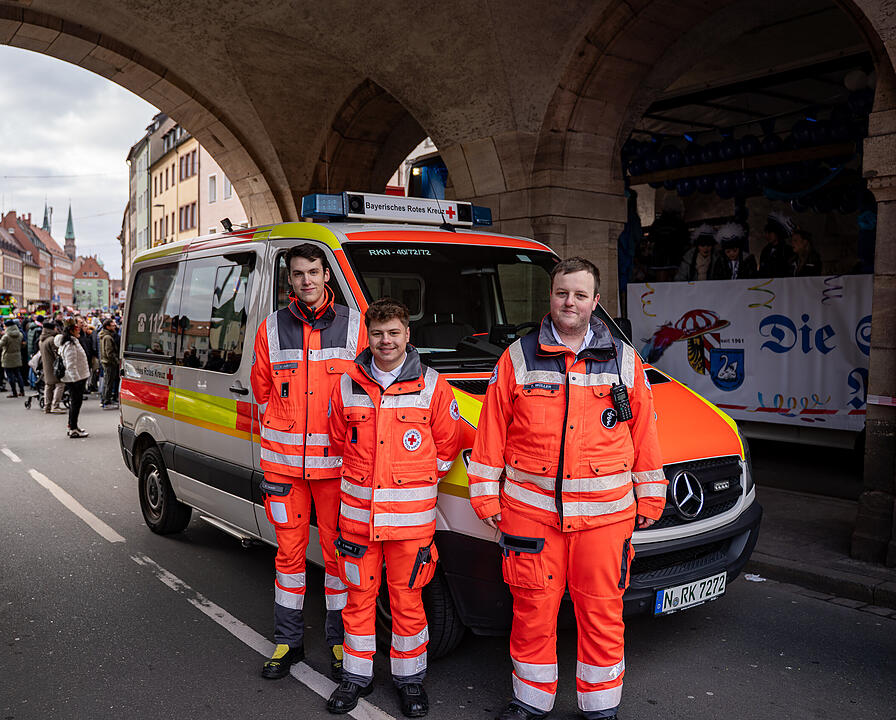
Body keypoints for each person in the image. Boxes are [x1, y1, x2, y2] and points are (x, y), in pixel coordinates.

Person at [468, 257, 666, 720]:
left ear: (596, 302)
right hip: (531, 516)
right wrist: (484, 494)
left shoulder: (624, 360)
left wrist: (651, 495)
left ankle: (600, 708)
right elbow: (491, 431)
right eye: (562, 293)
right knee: (532, 613)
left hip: (605, 518)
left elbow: (645, 437)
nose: (569, 302)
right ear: (550, 297)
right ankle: (529, 702)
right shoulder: (517, 358)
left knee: (602, 615)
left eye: (580, 294)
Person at [325, 298, 460, 717]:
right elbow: (337, 443)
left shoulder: (435, 386)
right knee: (358, 600)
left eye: (394, 333)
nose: (386, 341)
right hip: (358, 521)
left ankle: (410, 680)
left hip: (410, 524)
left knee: (408, 600)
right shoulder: (346, 384)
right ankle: (355, 677)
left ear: (407, 335)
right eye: (378, 334)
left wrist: (410, 484)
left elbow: (447, 450)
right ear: (369, 336)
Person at [250, 243, 366, 682]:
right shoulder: (272, 328)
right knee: (289, 557)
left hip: (337, 468)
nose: (306, 281)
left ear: (327, 275)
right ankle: (288, 640)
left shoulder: (355, 327)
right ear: (290, 281)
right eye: (298, 274)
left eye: (313, 272)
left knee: (340, 558)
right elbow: (262, 392)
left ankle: (339, 642)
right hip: (284, 470)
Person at [56, 320, 91, 438]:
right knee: (75, 403)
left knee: (75, 403)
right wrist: (76, 380)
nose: (79, 330)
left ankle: (72, 426)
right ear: (71, 330)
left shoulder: (71, 342)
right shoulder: (70, 344)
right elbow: (70, 365)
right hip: (75, 379)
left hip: (76, 378)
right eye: (76, 328)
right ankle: (73, 428)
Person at [758, 211, 796, 277]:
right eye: (766, 232)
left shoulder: (787, 250)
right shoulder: (765, 250)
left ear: (778, 233)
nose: (767, 235)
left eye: (770, 232)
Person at [39, 321, 65, 413]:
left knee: (48, 386)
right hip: (54, 366)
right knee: (60, 384)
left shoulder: (41, 340)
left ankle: (47, 406)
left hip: (46, 366)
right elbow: (57, 354)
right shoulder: (51, 340)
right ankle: (55, 405)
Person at [98, 317, 120, 409]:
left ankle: (105, 400)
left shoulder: (106, 335)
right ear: (107, 326)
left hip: (107, 362)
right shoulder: (107, 337)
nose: (114, 326)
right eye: (112, 325)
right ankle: (106, 401)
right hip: (109, 363)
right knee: (108, 383)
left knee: (108, 382)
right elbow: (109, 352)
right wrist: (117, 361)